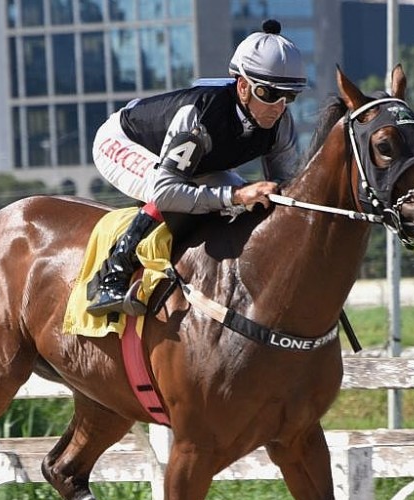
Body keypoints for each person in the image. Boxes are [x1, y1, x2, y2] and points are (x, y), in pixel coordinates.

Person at [86, 18, 307, 317]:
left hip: (193, 162)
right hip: (124, 140)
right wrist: (237, 196)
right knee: (173, 190)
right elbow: (166, 193)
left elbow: (288, 189)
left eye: (289, 96)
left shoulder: (280, 123)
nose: (279, 107)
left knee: (247, 200)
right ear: (242, 86)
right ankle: (110, 278)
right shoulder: (200, 116)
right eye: (268, 94)